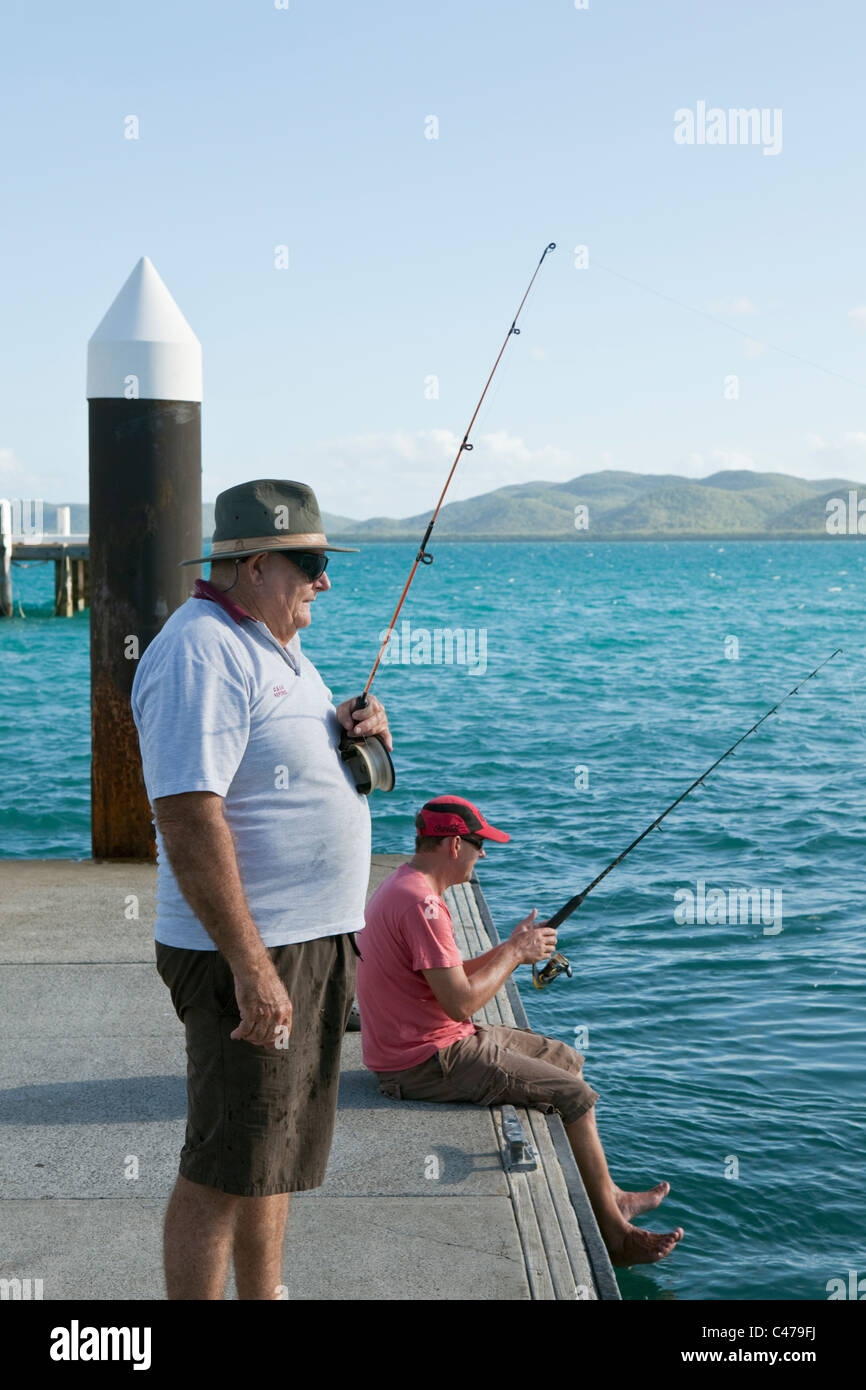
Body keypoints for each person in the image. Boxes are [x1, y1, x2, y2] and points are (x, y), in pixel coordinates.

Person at [131, 478, 391, 1300]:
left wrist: (357, 736)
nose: (324, 580)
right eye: (309, 562)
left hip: (304, 940)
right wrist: (250, 966)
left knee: (269, 1153)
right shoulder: (200, 647)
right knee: (222, 1164)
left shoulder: (274, 649)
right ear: (249, 565)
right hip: (250, 946)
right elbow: (187, 813)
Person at [355, 796, 684, 1268]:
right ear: (453, 844)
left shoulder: (405, 886)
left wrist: (509, 946)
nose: (483, 855)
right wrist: (515, 956)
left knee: (565, 1058)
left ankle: (611, 1195)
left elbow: (446, 975)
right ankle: (617, 1238)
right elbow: (462, 1000)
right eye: (478, 845)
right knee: (577, 1096)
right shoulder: (421, 904)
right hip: (423, 1062)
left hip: (434, 1039)